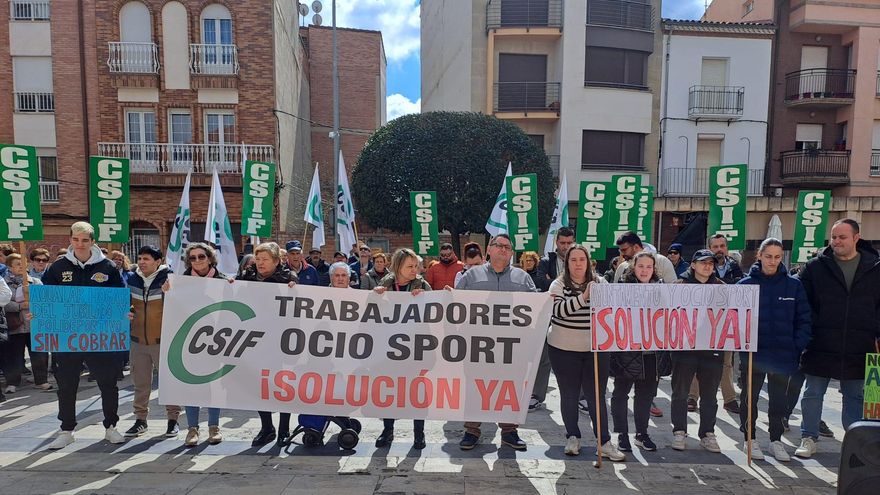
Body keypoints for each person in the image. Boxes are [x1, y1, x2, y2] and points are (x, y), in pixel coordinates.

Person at [794, 218, 880, 459]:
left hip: (860, 343)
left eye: (842, 237)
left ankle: (853, 442)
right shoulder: (815, 267)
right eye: (833, 237)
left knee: (855, 395)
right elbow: (802, 302)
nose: (836, 242)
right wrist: (811, 327)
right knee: (812, 392)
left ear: (856, 238)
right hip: (821, 341)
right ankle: (808, 437)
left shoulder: (876, 267)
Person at [40, 221, 127, 450]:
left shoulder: (108, 267)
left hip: (100, 338)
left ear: (92, 241)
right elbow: (47, 299)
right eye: (76, 239)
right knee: (67, 385)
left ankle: (111, 427)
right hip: (68, 338)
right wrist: (38, 314)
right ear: (70, 240)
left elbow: (120, 298)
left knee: (108, 383)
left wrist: (124, 314)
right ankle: (66, 430)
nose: (80, 244)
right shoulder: (57, 268)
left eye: (85, 240)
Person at [457, 234, 536, 451]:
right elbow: (456, 307)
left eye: (507, 247)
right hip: (478, 346)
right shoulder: (471, 276)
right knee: (475, 387)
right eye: (498, 245)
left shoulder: (523, 278)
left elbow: (534, 309)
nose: (503, 249)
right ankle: (472, 430)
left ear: (512, 253)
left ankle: (509, 431)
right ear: (488, 250)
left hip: (511, 347)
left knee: (509, 389)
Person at [735, 238, 811, 462]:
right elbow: (732, 321)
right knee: (750, 398)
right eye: (768, 256)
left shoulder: (794, 286)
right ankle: (749, 438)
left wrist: (797, 345)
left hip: (783, 354)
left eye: (777, 257)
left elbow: (804, 319)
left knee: (779, 401)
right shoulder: (744, 286)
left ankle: (776, 440)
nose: (773, 261)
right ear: (759, 255)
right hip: (753, 354)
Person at [548, 245, 625, 460]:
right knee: (569, 394)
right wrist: (584, 297)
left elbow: (612, 310)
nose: (578, 264)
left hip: (595, 350)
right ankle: (573, 436)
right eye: (573, 260)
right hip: (563, 349)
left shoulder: (601, 283)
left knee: (596, 396)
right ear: (567, 263)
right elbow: (558, 312)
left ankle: (604, 441)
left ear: (589, 262)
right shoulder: (558, 284)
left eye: (582, 259)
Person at [236, 242, 298, 446]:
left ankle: (283, 429)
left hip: (281, 341)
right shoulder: (246, 278)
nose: (261, 263)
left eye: (265, 259)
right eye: (258, 259)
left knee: (282, 385)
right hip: (255, 340)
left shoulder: (288, 279)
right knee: (259, 385)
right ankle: (267, 427)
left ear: (276, 261)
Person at [171, 242, 230, 447]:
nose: (197, 261)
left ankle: (214, 426)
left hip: (217, 341)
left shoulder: (225, 281)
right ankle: (192, 429)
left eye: (201, 256)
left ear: (210, 258)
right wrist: (167, 292)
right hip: (189, 341)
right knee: (191, 385)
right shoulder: (180, 283)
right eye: (193, 257)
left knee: (213, 385)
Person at [373, 248, 432, 450]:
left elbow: (434, 313)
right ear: (398, 266)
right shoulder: (384, 286)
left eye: (416, 266)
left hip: (416, 350)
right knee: (390, 392)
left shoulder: (423, 285)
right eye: (410, 266)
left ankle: (419, 434)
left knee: (417, 393)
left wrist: (424, 298)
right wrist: (377, 297)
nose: (415, 270)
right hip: (389, 351)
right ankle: (387, 431)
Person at [669, 249, 725, 453]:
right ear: (693, 265)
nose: (708, 266)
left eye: (711, 263)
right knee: (681, 393)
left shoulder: (722, 288)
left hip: (712, 349)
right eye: (703, 262)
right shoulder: (678, 286)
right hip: (684, 349)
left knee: (710, 395)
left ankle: (707, 433)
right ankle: (679, 430)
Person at [123, 246, 181, 439]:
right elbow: (123, 304)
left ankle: (173, 420)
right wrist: (126, 313)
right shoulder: (131, 279)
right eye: (139, 258)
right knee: (140, 383)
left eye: (146, 258)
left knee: (169, 382)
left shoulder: (170, 278)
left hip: (163, 341)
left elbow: (184, 304)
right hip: (138, 341)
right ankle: (140, 420)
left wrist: (171, 293)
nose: (141, 262)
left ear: (158, 261)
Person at [611, 252, 666, 453]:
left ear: (654, 269)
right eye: (641, 266)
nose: (644, 270)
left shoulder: (662, 290)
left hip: (651, 353)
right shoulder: (621, 289)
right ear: (634, 267)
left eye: (648, 266)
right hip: (626, 350)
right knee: (621, 392)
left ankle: (642, 433)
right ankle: (622, 434)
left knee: (645, 394)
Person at [690, 234, 742, 415]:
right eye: (715, 246)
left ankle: (729, 399)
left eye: (722, 246)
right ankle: (692, 397)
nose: (719, 249)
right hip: (701, 323)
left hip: (724, 322)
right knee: (697, 360)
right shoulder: (701, 269)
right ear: (709, 249)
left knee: (727, 362)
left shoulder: (735, 267)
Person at [2, 254, 52, 393]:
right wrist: (19, 306)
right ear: (10, 267)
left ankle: (41, 380)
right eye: (18, 264)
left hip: (34, 324)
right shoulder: (4, 283)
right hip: (15, 326)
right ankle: (12, 382)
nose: (21, 267)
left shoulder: (35, 282)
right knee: (14, 355)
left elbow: (44, 299)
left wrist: (33, 304)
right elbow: (3, 302)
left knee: (39, 354)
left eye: (23, 263)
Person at [613, 232, 677, 284]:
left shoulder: (662, 262)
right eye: (620, 251)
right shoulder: (622, 267)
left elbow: (672, 291)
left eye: (624, 250)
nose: (622, 254)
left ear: (635, 247)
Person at [536, 227, 575, 292]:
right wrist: (570, 282)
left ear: (573, 242)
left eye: (569, 243)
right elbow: (541, 284)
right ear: (556, 242)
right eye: (562, 243)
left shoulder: (579, 261)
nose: (566, 247)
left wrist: (553, 281)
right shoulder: (546, 261)